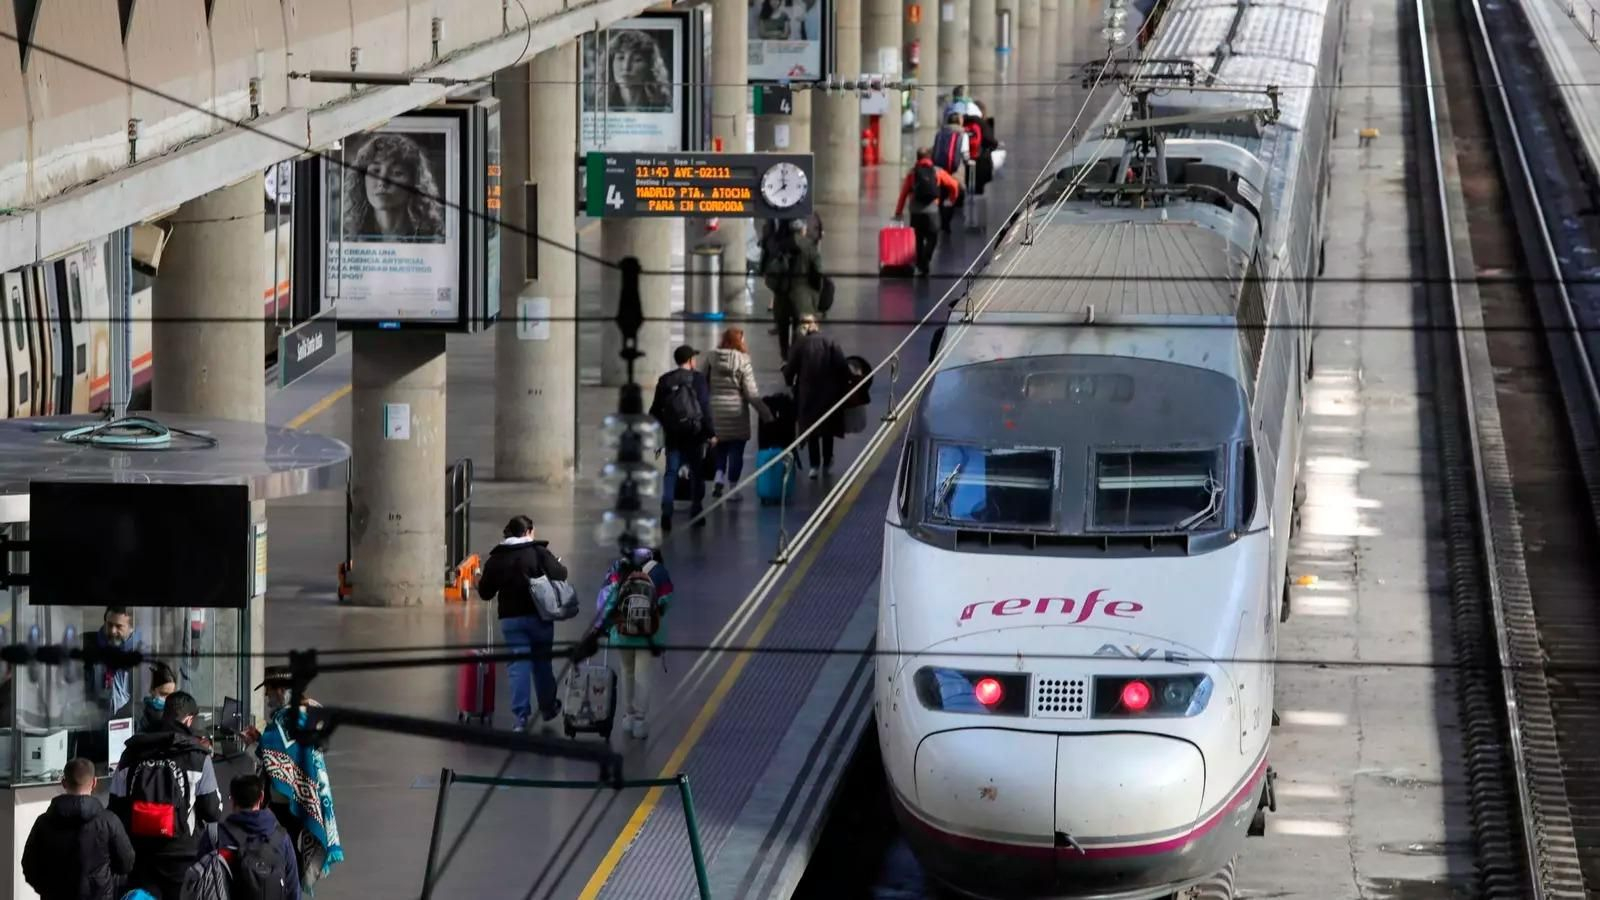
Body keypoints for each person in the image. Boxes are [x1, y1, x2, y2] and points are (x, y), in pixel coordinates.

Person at [108, 691, 224, 900]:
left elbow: (115, 807)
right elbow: (212, 811)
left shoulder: (131, 753)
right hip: (182, 859)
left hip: (140, 856)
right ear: (189, 719)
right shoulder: (197, 757)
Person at [242, 668, 342, 896]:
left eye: (269, 693)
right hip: (309, 791)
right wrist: (263, 739)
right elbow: (292, 751)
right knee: (292, 846)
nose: (267, 699)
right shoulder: (310, 712)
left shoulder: (288, 717)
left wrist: (252, 744)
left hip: (287, 798)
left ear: (281, 690)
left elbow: (275, 756)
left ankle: (289, 892)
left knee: (283, 849)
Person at [476, 516, 569, 731]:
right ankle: (548, 708)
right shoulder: (538, 552)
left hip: (511, 620)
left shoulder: (497, 558)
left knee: (518, 666)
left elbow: (485, 593)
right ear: (528, 531)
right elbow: (561, 574)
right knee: (542, 663)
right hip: (540, 618)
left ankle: (521, 718)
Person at [22, 757, 135, 900]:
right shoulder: (109, 821)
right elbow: (126, 863)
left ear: (63, 782)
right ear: (94, 782)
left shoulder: (44, 822)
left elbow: (29, 866)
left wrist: (47, 890)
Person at [595, 547, 675, 739]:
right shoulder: (659, 571)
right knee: (643, 675)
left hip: (623, 632)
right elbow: (667, 601)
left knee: (626, 671)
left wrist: (603, 625)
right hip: (649, 633)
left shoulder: (619, 567)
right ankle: (640, 720)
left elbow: (608, 599)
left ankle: (628, 717)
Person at [193, 774, 301, 900]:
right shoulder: (281, 837)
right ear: (261, 796)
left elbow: (198, 884)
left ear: (232, 800)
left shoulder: (214, 836)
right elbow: (293, 889)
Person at [650, 345, 717, 531]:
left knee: (671, 473)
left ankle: (667, 509)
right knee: (697, 472)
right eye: (693, 358)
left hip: (672, 434)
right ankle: (696, 510)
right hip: (694, 433)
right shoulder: (698, 380)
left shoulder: (665, 380)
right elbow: (704, 408)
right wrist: (711, 433)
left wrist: (661, 431)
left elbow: (655, 410)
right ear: (689, 361)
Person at [707, 328, 774, 500]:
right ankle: (733, 489)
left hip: (715, 411)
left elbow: (701, 383)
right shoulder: (743, 362)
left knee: (720, 447)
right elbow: (751, 394)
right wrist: (767, 414)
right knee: (736, 451)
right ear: (739, 341)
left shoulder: (710, 358)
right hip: (736, 412)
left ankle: (718, 478)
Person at [342, 134, 446, 241]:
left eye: (397, 173)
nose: (382, 182)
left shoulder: (433, 242)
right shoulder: (349, 243)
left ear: (414, 183)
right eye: (375, 171)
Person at [783, 315, 849, 479]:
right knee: (827, 427)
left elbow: (790, 370)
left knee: (811, 429)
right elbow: (842, 367)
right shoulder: (831, 341)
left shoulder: (800, 345)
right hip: (829, 393)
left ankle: (814, 465)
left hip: (807, 393)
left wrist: (790, 383)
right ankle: (827, 461)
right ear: (817, 325)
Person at [760, 219, 823, 358]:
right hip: (803, 295)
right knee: (799, 327)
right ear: (803, 230)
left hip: (782, 293)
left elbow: (770, 267)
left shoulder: (781, 245)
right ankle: (795, 356)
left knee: (782, 329)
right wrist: (816, 292)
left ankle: (784, 357)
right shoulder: (810, 246)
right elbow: (818, 271)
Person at [893, 148, 963, 275]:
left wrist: (898, 211)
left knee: (918, 239)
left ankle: (921, 264)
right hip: (932, 211)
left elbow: (903, 194)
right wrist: (951, 200)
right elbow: (954, 185)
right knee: (933, 237)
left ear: (917, 158)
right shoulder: (937, 171)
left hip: (915, 211)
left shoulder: (912, 173)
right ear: (930, 157)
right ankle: (926, 259)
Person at [87, 606, 144, 719]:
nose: (113, 631)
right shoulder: (88, 646)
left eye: (119, 626)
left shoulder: (142, 653)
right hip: (93, 722)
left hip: (131, 724)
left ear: (131, 628)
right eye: (109, 624)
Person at [605, 30, 672, 111]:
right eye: (621, 58)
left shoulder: (663, 109)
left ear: (650, 66)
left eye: (637, 60)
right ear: (611, 63)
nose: (626, 67)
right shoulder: (597, 107)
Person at [931, 113, 971, 232]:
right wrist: (969, 162)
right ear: (959, 121)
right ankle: (947, 221)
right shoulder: (962, 134)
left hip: (940, 168)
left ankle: (942, 219)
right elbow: (965, 154)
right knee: (954, 194)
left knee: (942, 193)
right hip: (956, 169)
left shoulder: (940, 133)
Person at [140, 662, 176, 733]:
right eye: (163, 694)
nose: (168, 699)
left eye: (171, 695)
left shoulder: (172, 714)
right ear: (152, 690)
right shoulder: (142, 714)